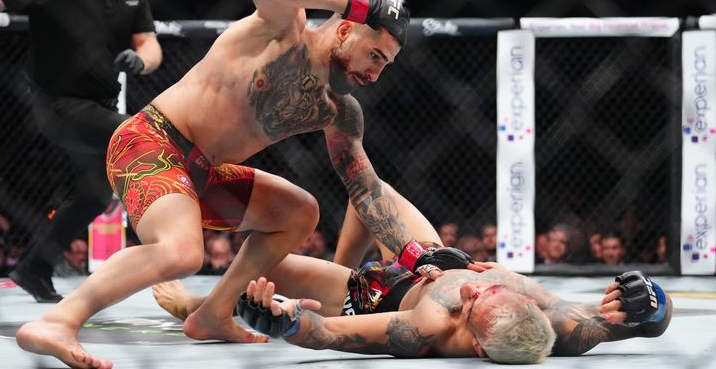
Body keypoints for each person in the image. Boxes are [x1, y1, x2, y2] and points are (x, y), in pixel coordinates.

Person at [15, 0, 474, 368]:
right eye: (375, 55)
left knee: (300, 212)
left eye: (386, 65)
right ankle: (58, 321)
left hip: (204, 173)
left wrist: (419, 258)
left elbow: (366, 190)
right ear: (344, 30)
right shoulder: (282, 30)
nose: (375, 75)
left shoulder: (339, 110)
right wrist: (359, 0)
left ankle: (213, 313)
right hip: (150, 140)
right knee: (182, 253)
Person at [154, 182, 673, 363]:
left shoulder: (425, 327)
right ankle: (336, 262)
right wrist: (650, 302)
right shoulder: (556, 325)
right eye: (492, 287)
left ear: (475, 345)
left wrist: (285, 321)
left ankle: (204, 308)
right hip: (433, 258)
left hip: (373, 294)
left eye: (475, 301)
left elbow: (328, 333)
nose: (476, 288)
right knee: (370, 194)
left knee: (264, 256)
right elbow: (642, 325)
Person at [0, 0, 162, 303]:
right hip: (57, 104)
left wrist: (140, 60)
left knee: (96, 194)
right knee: (137, 132)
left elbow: (149, 43)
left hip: (102, 105)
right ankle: (165, 244)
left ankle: (34, 268)